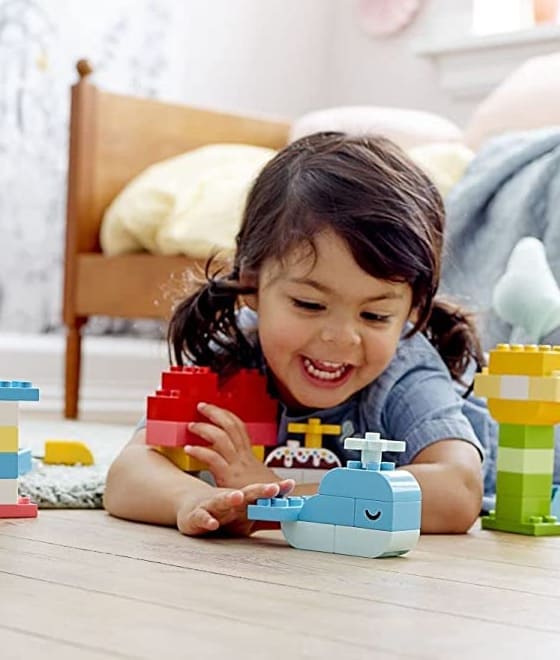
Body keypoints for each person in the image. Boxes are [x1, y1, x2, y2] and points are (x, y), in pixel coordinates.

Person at [104, 132, 492, 537]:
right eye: (309, 304)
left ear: (412, 310)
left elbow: (459, 490)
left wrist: (279, 501)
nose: (341, 337)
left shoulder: (406, 372)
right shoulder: (233, 351)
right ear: (252, 283)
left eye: (375, 315)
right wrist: (191, 498)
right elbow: (128, 472)